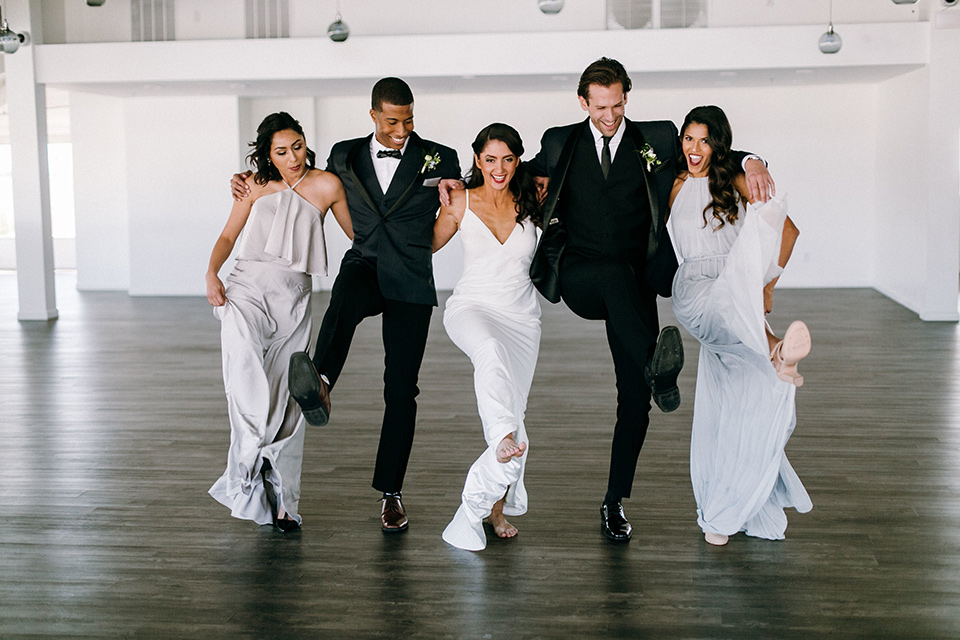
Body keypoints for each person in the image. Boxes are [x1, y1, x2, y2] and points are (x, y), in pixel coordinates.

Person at [524, 58, 774, 542]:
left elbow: (709, 150)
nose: (610, 115)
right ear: (583, 102)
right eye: (601, 106)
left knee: (634, 397)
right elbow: (515, 174)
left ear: (626, 99)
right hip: (580, 274)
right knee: (620, 291)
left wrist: (752, 160)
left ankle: (614, 500)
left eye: (618, 104)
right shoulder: (561, 141)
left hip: (633, 282)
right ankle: (655, 364)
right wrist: (462, 182)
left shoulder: (657, 138)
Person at [231, 78, 461, 533]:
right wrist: (248, 179)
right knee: (344, 296)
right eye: (393, 120)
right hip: (367, 262)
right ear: (373, 115)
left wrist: (432, 238)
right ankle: (319, 378)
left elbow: (455, 207)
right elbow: (295, 178)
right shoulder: (343, 154)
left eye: (409, 119)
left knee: (401, 389)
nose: (402, 129)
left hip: (412, 279)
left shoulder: (442, 157)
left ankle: (391, 493)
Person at [667, 105, 812, 545]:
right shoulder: (670, 182)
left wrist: (767, 284)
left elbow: (787, 229)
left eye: (704, 140)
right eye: (689, 139)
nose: (695, 149)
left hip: (736, 289)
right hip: (695, 290)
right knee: (729, 304)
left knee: (744, 396)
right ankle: (775, 347)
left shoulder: (730, 179)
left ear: (718, 144)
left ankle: (728, 507)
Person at [207, 112, 352, 532]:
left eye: (299, 147)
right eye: (282, 151)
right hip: (246, 290)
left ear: (307, 143)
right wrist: (210, 273)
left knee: (289, 400)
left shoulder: (327, 185)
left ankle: (285, 500)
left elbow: (361, 237)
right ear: (268, 154)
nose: (293, 158)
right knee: (246, 380)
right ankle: (249, 474)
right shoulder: (252, 185)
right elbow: (228, 237)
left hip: (293, 299)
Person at [433, 123, 542, 551]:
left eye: (508, 159)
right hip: (471, 308)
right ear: (478, 159)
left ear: (518, 161)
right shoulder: (459, 199)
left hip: (522, 320)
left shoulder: (532, 199)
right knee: (490, 356)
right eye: (491, 159)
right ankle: (499, 440)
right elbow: (421, 246)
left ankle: (490, 509)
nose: (499, 168)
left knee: (516, 415)